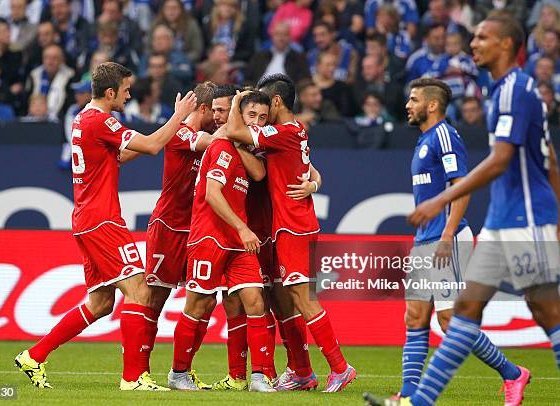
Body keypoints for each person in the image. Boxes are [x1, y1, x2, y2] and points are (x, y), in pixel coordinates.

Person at [365, 14, 560, 406]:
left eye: (482, 37)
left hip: (513, 222)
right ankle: (413, 398)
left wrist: (444, 215)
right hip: (495, 221)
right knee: (450, 316)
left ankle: (510, 374)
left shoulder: (509, 94)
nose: (473, 44)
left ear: (507, 44)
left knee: (541, 316)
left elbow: (498, 162)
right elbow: (549, 158)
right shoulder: (500, 92)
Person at [14, 61, 197, 391]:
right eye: (125, 90)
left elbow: (117, 157)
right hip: (102, 220)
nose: (129, 96)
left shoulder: (82, 118)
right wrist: (178, 117)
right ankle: (133, 379)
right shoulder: (101, 120)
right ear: (110, 92)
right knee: (139, 290)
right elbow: (154, 146)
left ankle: (35, 355)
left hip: (85, 220)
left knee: (100, 303)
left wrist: (146, 140)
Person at [388, 77, 528, 402]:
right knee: (415, 316)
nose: (407, 105)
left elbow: (460, 185)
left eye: (413, 99)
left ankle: (513, 373)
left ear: (432, 104)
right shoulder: (424, 139)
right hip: (426, 238)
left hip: (445, 237)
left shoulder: (445, 135)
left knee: (450, 320)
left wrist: (448, 234)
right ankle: (407, 395)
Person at [226, 73, 356, 392]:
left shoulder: (281, 132)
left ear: (277, 102)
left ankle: (339, 367)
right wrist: (314, 183)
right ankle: (301, 372)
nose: (260, 112)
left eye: (264, 104)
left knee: (301, 297)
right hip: (294, 223)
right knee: (291, 298)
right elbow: (312, 170)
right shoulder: (296, 131)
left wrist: (235, 102)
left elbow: (233, 130)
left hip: (292, 226)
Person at [168, 90, 276, 392]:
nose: (256, 122)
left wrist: (237, 138)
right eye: (251, 115)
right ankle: (178, 373)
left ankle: (259, 377)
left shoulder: (237, 148)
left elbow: (258, 173)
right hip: (210, 238)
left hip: (236, 244)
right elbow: (212, 195)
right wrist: (243, 228)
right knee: (198, 305)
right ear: (239, 115)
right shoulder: (220, 149)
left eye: (262, 118)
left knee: (255, 302)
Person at [144, 82, 217, 390]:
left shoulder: (201, 136)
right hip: (168, 227)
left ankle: (183, 370)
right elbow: (210, 142)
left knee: (206, 300)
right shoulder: (181, 133)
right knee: (155, 300)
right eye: (214, 111)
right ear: (201, 109)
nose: (218, 117)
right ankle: (138, 370)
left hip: (196, 229)